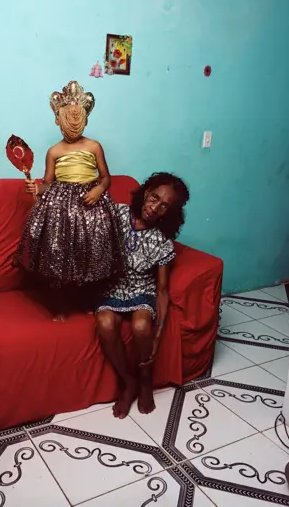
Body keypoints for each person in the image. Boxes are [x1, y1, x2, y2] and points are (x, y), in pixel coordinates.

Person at [16, 80, 125, 320]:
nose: (73, 123)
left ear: (84, 119)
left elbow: (106, 178)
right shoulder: (54, 152)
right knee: (59, 255)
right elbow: (47, 184)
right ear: (58, 120)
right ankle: (60, 306)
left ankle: (86, 300)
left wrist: (98, 190)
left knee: (90, 253)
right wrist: (35, 186)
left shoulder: (94, 146)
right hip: (60, 212)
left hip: (91, 207)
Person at [95, 172, 190, 418]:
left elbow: (161, 290)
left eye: (164, 205)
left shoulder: (162, 240)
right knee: (105, 323)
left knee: (140, 326)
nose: (154, 207)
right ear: (146, 193)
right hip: (112, 285)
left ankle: (145, 380)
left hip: (141, 288)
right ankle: (128, 382)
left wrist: (158, 335)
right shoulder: (116, 213)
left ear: (170, 212)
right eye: (154, 198)